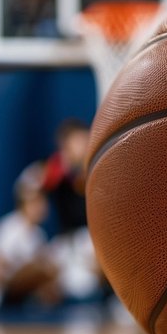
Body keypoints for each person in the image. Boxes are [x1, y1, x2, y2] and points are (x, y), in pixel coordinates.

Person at [0, 163, 59, 323]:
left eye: (43, 203)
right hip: (4, 281)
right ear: (26, 204)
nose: (43, 208)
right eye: (38, 203)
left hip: (21, 287)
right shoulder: (10, 227)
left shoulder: (38, 234)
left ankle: (32, 303)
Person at [42, 119, 103, 303]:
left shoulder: (98, 167)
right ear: (65, 144)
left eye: (85, 140)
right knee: (41, 272)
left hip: (91, 241)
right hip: (65, 243)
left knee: (105, 265)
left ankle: (116, 299)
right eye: (78, 141)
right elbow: (37, 188)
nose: (83, 146)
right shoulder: (54, 168)